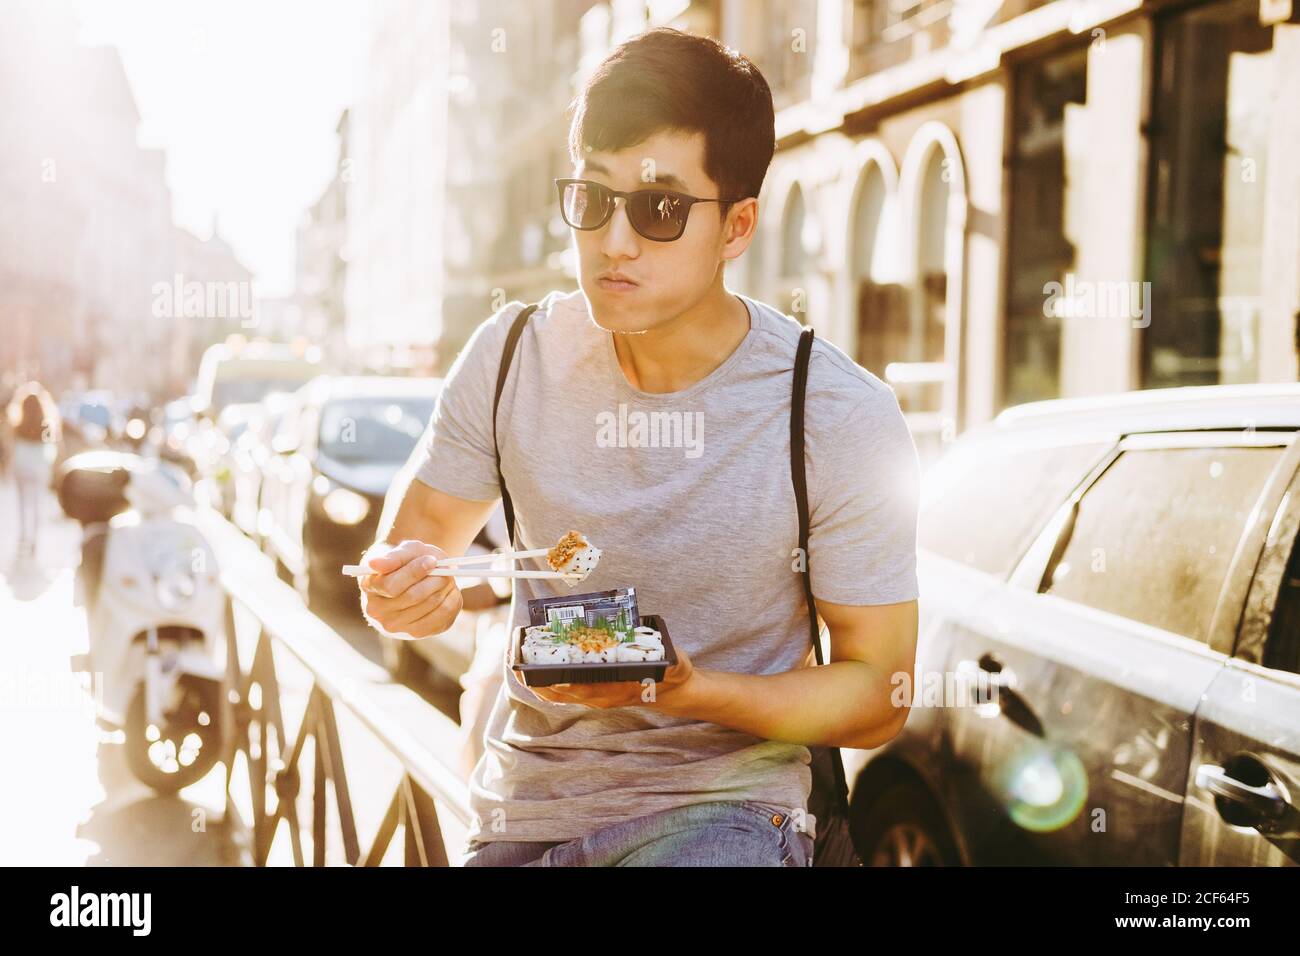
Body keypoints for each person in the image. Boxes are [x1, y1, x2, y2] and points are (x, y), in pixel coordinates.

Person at [358, 27, 921, 867]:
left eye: (659, 209)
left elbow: (881, 692)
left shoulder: (835, 413)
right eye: (593, 198)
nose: (614, 242)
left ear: (737, 227)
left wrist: (691, 689)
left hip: (728, 813)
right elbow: (413, 548)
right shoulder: (511, 356)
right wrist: (401, 592)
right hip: (526, 815)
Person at [7, 381, 61, 559]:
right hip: (39, 466)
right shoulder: (45, 423)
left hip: (21, 465)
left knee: (22, 503)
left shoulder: (18, 423)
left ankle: (24, 535)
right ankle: (35, 538)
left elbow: (11, 446)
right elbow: (52, 445)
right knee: (37, 503)